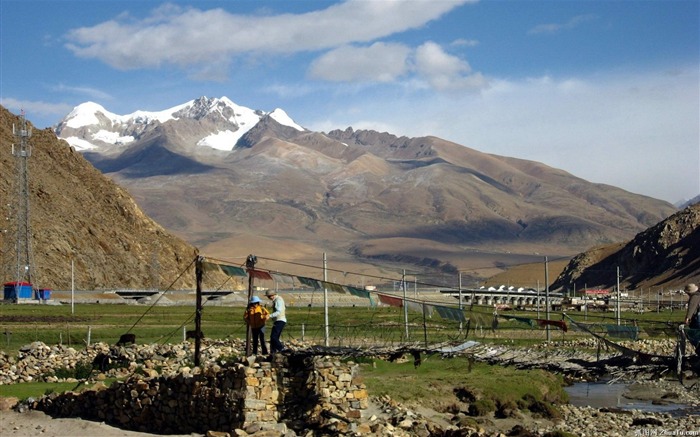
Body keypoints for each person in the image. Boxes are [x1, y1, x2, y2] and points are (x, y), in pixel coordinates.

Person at [265, 289, 287, 355]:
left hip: (279, 320)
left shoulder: (278, 300)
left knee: (273, 337)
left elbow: (278, 311)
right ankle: (273, 352)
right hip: (278, 320)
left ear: (272, 295)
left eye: (269, 296)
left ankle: (281, 349)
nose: (268, 298)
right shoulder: (277, 300)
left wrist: (270, 316)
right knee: (274, 338)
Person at [683, 283, 700, 352]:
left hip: (698, 318)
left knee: (692, 333)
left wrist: (687, 318)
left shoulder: (694, 297)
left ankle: (698, 347)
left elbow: (691, 308)